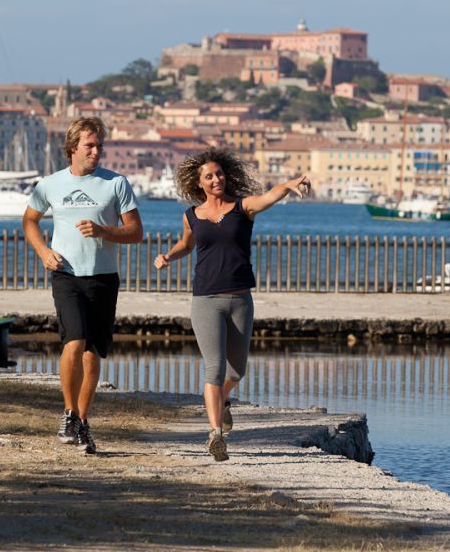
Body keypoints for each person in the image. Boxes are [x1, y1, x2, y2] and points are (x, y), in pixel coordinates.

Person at [154, 148, 309, 461]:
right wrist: (168, 256)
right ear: (199, 183)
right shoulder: (191, 216)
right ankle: (215, 434)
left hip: (240, 299)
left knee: (237, 370)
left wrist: (289, 184)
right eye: (209, 176)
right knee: (214, 366)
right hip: (205, 300)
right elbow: (186, 244)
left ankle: (222, 401)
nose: (216, 180)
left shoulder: (243, 208)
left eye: (219, 174)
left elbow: (270, 195)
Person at [22, 117, 142, 454]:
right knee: (74, 342)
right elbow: (30, 220)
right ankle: (68, 412)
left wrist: (105, 231)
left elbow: (136, 232)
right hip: (66, 273)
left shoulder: (116, 184)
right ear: (73, 147)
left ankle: (83, 422)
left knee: (92, 354)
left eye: (100, 145)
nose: (96, 151)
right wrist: (43, 251)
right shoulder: (50, 184)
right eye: (90, 145)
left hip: (103, 277)